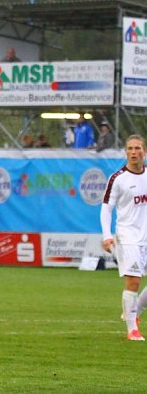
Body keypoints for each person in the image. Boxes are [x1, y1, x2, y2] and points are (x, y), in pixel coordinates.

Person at [101, 135, 147, 341]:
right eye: (130, 148)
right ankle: (132, 330)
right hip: (127, 236)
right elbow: (106, 209)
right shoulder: (118, 178)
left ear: (144, 151)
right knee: (133, 282)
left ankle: (135, 312)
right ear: (126, 152)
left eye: (138, 148)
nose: (134, 152)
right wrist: (106, 236)